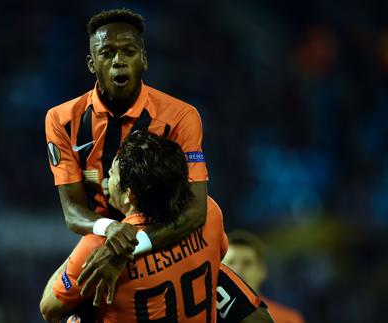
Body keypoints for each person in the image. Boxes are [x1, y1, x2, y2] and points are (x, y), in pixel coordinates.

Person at [45, 8, 211, 305]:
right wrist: (111, 231)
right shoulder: (62, 119)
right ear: (91, 63)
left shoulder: (181, 117)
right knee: (52, 309)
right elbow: (72, 212)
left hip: (161, 242)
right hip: (99, 242)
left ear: (143, 60)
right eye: (107, 53)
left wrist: (129, 247)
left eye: (129, 51)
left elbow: (197, 212)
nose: (119, 61)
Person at [41, 130, 226, 322]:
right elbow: (217, 258)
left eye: (112, 173)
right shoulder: (209, 213)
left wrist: (80, 249)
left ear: (130, 195)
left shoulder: (99, 247)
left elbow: (49, 309)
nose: (106, 180)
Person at [222, 230, 305, 323]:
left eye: (247, 263)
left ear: (262, 271)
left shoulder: (288, 320)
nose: (238, 270)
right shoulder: (206, 316)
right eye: (231, 262)